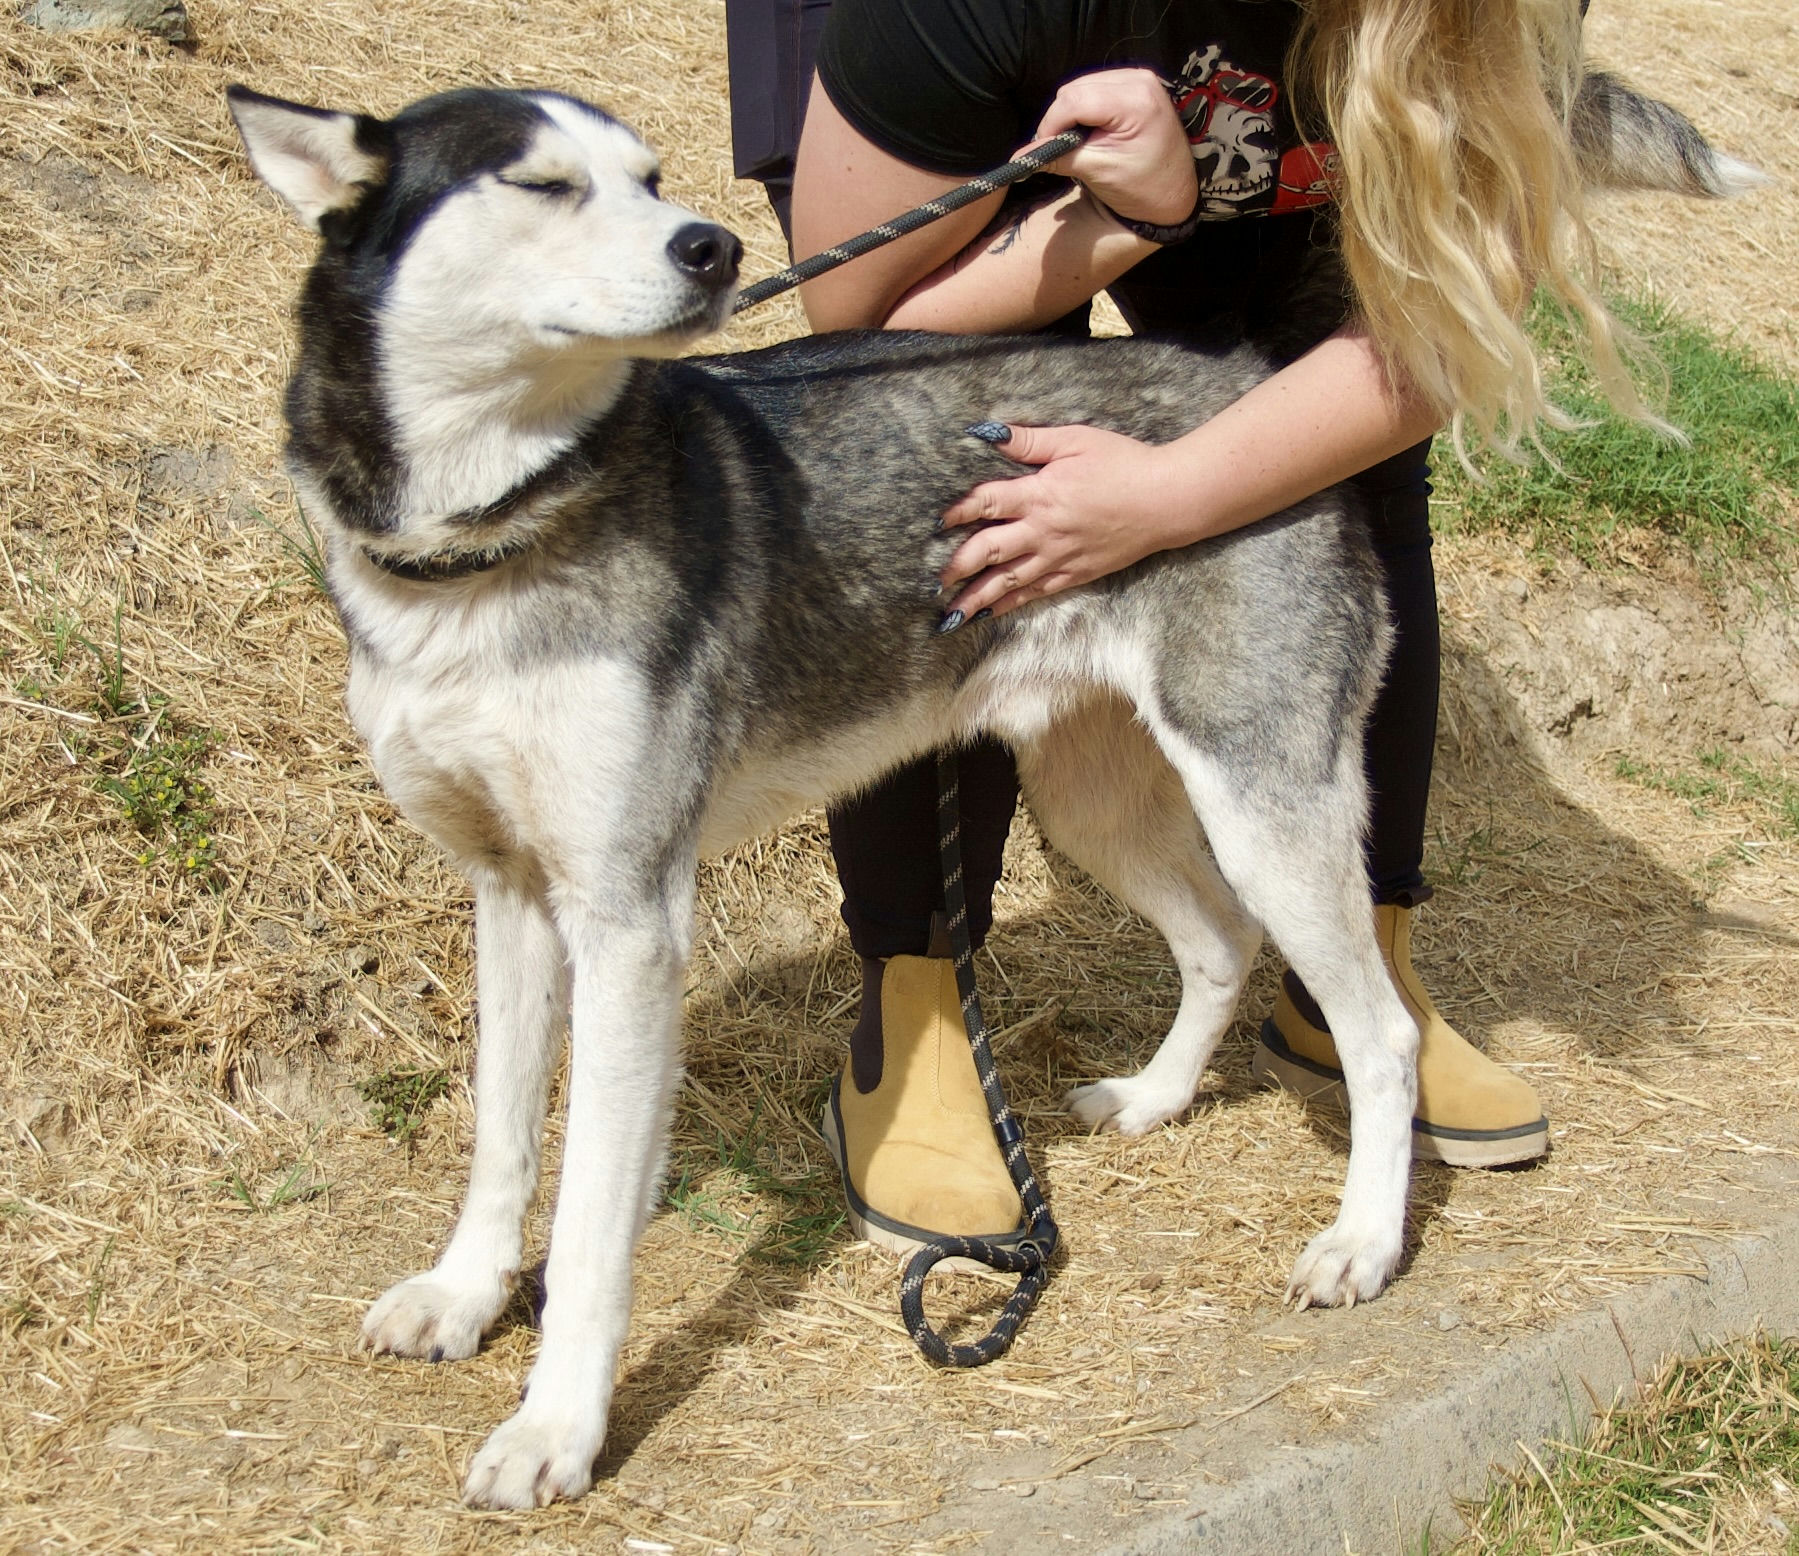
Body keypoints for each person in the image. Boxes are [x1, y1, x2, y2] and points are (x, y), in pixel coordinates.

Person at [725, 0, 1624, 1257]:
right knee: (938, 455)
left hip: (1251, 138)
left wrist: (1166, 497)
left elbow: (1428, 338)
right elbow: (854, 327)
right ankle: (916, 1015)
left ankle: (1357, 999)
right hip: (986, 117)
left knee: (1336, 466)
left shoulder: (1468, 25)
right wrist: (1119, 222)